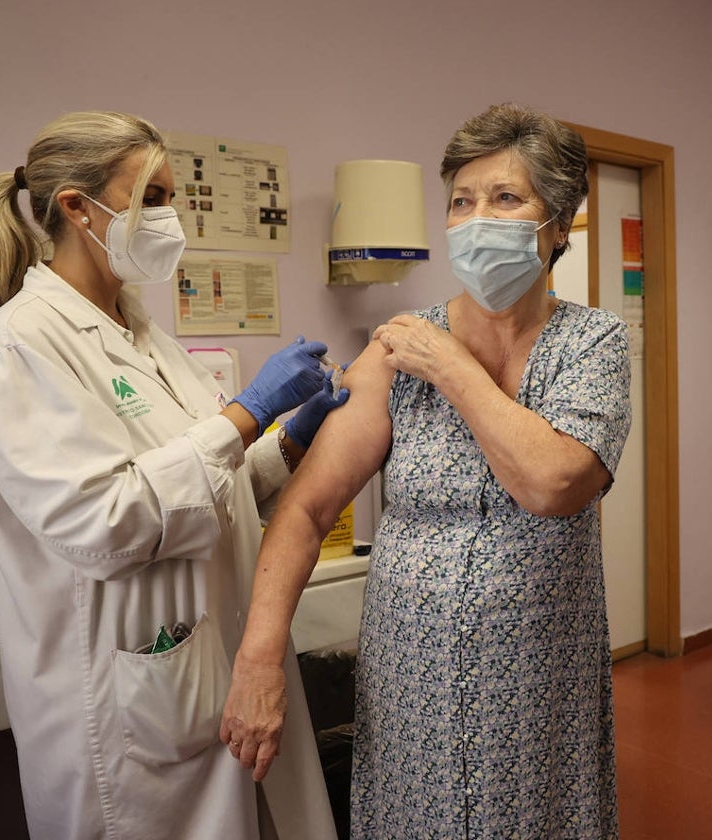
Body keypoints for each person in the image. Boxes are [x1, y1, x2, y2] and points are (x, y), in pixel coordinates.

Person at [220, 102, 632, 838]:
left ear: (559, 224)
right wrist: (259, 658)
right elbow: (307, 510)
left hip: (540, 684)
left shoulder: (591, 343)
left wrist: (451, 367)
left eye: (506, 199)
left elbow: (553, 483)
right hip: (411, 683)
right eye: (460, 202)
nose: (477, 220)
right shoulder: (393, 352)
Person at [0, 111, 342, 840]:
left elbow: (210, 487)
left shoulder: (143, 333)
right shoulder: (21, 342)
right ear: (77, 207)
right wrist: (247, 411)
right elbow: (104, 524)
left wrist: (293, 436)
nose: (172, 218)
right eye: (154, 198)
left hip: (206, 671)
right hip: (126, 707)